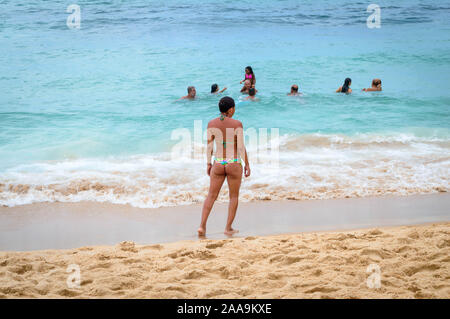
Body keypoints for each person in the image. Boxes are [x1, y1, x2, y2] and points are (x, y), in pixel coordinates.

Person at [198, 96, 251, 237]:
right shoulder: (237, 124)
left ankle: (202, 227)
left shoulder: (211, 124)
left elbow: (209, 146)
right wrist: (247, 164)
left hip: (218, 162)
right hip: (233, 162)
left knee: (211, 196)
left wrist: (208, 163)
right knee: (233, 197)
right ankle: (228, 228)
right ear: (231, 109)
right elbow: (240, 147)